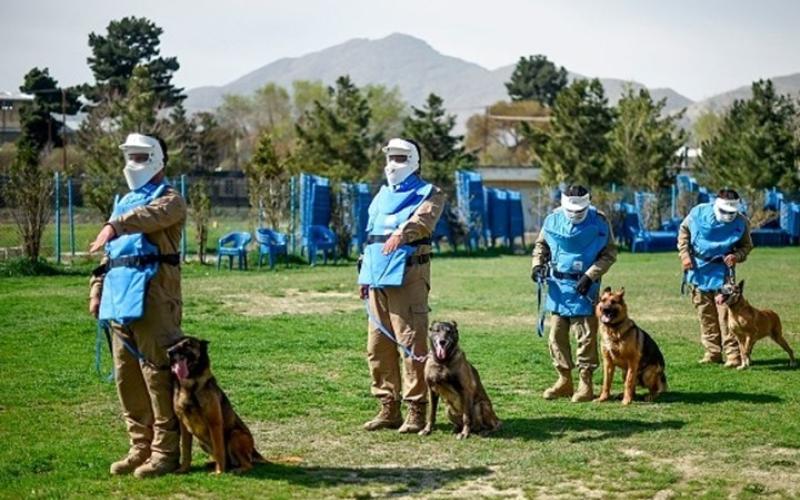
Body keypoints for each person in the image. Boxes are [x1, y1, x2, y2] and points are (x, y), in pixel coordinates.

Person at [88, 133, 186, 478]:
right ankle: (139, 447)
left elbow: (147, 218)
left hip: (155, 297)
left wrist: (115, 225)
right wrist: (96, 290)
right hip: (118, 299)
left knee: (158, 374)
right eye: (130, 156)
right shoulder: (122, 203)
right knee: (126, 377)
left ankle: (165, 452)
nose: (134, 164)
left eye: (141, 156)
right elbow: (109, 255)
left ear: (158, 159)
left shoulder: (170, 200)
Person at [357, 138, 445, 433]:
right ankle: (388, 406)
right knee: (377, 346)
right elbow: (372, 236)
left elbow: (423, 222)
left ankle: (416, 408)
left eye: (400, 157)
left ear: (414, 161)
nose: (393, 164)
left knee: (412, 344)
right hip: (377, 277)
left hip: (408, 275)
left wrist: (401, 233)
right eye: (390, 157)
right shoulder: (381, 195)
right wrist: (364, 274)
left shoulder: (430, 193)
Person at [531, 185, 618, 402]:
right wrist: (537, 265)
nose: (575, 215)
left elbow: (609, 254)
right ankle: (564, 380)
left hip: (585, 289)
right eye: (571, 211)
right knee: (556, 336)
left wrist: (590, 276)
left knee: (586, 336)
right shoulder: (552, 220)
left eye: (579, 211)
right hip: (558, 289)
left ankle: (585, 383)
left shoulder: (600, 221)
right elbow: (541, 246)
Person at [678, 188, 752, 367]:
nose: (728, 215)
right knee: (706, 315)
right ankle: (712, 353)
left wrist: (737, 256)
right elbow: (683, 233)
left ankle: (733, 355)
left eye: (731, 212)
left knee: (727, 316)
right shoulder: (698, 213)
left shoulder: (741, 222)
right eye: (725, 211)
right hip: (698, 271)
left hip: (723, 274)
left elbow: (746, 246)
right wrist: (685, 255)